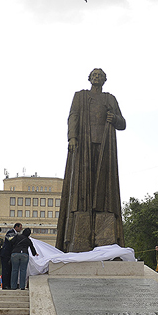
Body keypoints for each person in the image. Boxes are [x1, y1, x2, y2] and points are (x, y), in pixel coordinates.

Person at [56, 68, 126, 253]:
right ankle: (79, 240)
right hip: (84, 146)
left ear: (104, 80)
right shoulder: (80, 96)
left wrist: (115, 118)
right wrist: (72, 137)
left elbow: (123, 123)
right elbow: (73, 116)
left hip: (105, 147)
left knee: (104, 191)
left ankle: (104, 239)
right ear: (89, 79)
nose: (97, 78)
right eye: (94, 75)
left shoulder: (110, 98)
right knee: (82, 190)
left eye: (100, 76)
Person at [0, 223, 21, 289]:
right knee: (5, 270)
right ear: (16, 227)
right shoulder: (10, 232)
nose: (21, 229)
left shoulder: (16, 234)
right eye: (20, 227)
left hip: (10, 254)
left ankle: (9, 284)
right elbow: (11, 240)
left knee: (10, 270)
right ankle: (5, 285)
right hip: (6, 254)